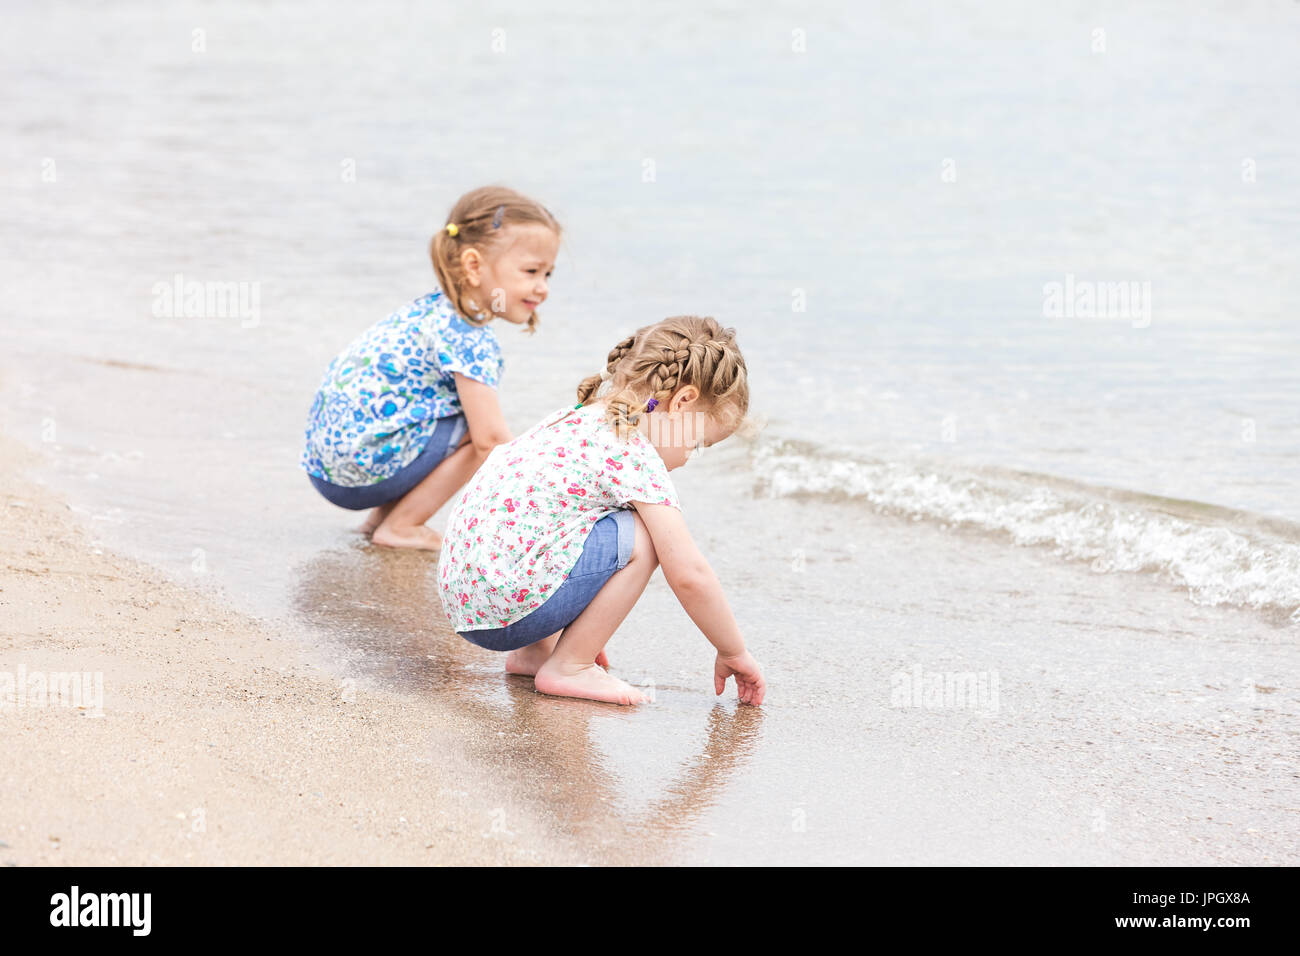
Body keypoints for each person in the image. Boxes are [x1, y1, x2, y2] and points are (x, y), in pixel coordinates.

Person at [437, 315, 766, 706]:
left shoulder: (576, 416)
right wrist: (733, 651)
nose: (688, 458)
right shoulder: (633, 449)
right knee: (643, 537)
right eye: (696, 444)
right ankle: (570, 665)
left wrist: (576, 622)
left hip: (466, 601)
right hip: (508, 607)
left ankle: (536, 652)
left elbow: (544, 527)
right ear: (682, 401)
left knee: (565, 521)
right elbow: (690, 574)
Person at [300, 186, 560, 549]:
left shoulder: (435, 310)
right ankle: (402, 526)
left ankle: (382, 520)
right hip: (360, 473)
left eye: (548, 274)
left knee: (444, 413)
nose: (543, 287)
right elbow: (492, 442)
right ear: (473, 266)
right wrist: (546, 504)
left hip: (329, 466)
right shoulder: (468, 335)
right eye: (532, 270)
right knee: (477, 428)